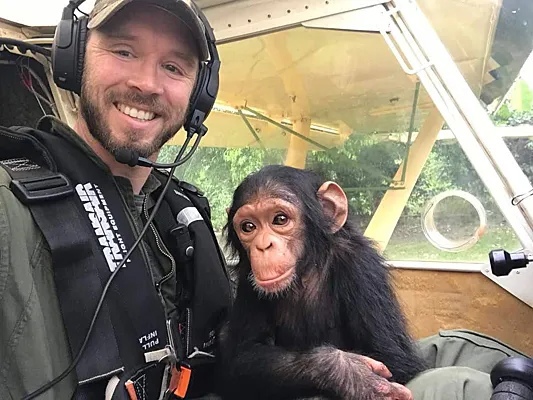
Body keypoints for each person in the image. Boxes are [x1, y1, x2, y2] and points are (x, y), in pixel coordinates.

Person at [0, 0, 231, 399]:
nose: (147, 83)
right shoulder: (7, 207)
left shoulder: (184, 213)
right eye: (124, 51)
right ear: (74, 58)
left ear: (199, 97)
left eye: (174, 67)